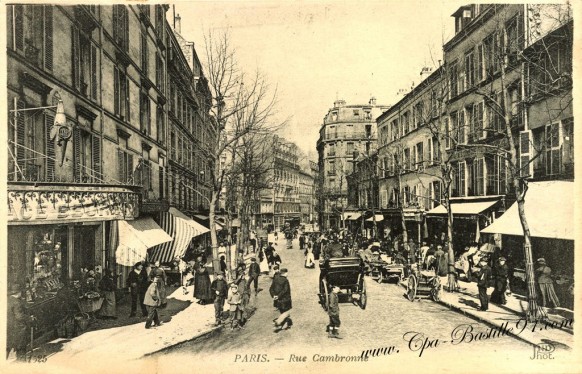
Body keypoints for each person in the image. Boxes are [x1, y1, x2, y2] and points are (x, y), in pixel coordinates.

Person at [7, 291, 34, 361]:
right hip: (19, 329)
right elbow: (19, 316)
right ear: (18, 293)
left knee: (7, 348)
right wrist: (29, 318)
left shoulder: (8, 300)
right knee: (21, 348)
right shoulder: (17, 302)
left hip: (9, 329)